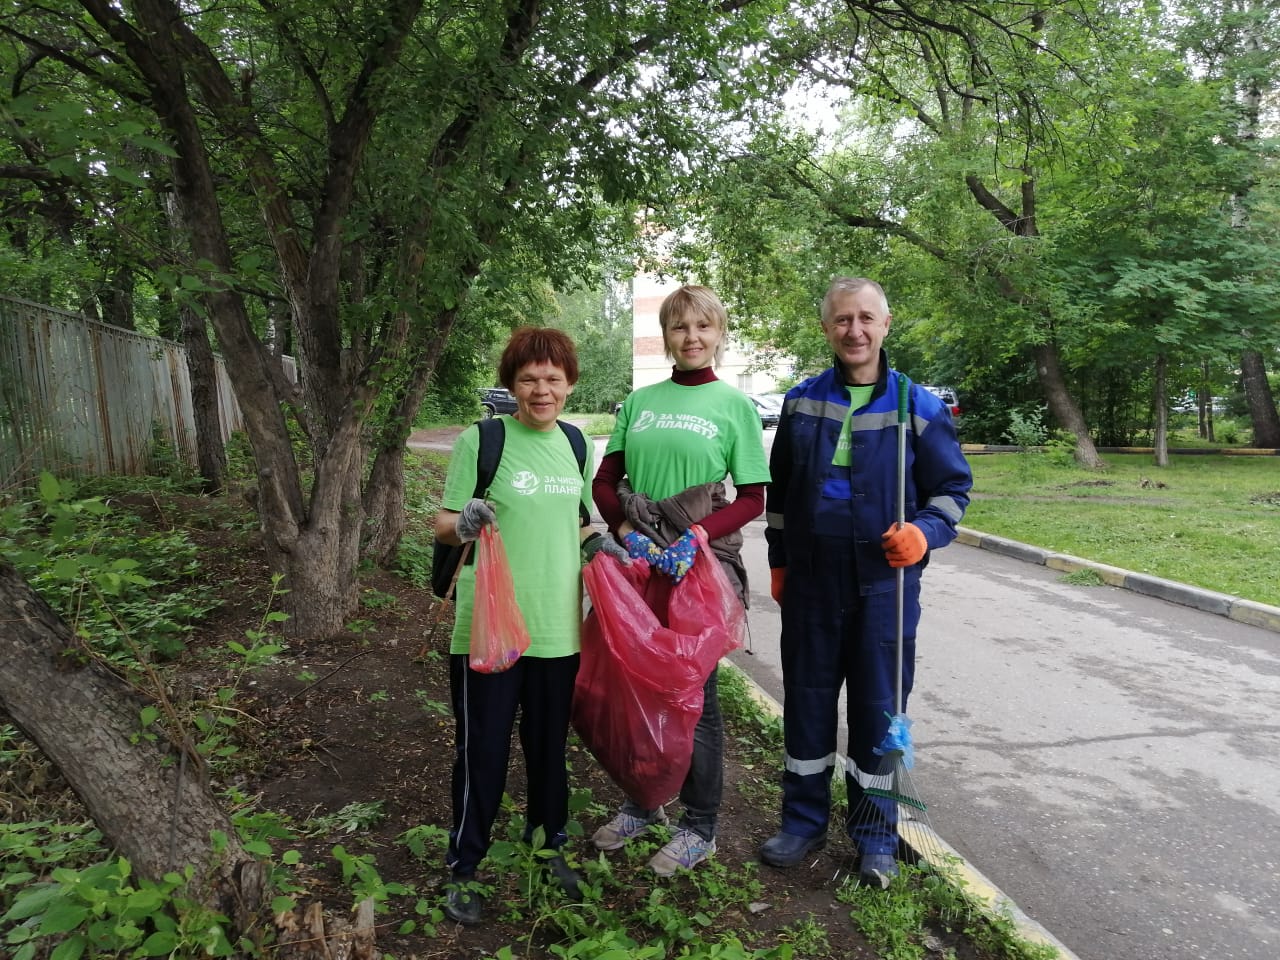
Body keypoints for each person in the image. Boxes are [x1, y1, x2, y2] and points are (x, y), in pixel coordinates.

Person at [758, 277, 972, 886]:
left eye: (866, 319)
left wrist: (926, 532)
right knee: (806, 703)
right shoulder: (801, 404)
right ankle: (802, 824)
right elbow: (780, 499)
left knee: (879, 713)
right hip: (812, 583)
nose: (855, 330)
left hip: (885, 586)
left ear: (885, 324)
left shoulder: (917, 406)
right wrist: (778, 559)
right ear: (826, 328)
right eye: (842, 320)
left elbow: (952, 491)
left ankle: (876, 835)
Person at [434, 327, 628, 925]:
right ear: (512, 385)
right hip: (489, 626)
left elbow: (573, 520)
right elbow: (442, 525)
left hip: (557, 626)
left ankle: (549, 849)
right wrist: (465, 521)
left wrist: (605, 546)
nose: (541, 390)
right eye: (528, 379)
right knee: (483, 752)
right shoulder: (483, 439)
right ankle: (464, 868)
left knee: (549, 751)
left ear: (570, 383)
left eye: (553, 378)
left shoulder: (575, 444)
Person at [591, 284, 770, 876]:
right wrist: (627, 532)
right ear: (665, 335)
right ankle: (643, 804)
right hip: (642, 563)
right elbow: (605, 479)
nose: (691, 337)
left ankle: (701, 824)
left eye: (703, 327)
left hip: (697, 566)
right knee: (635, 683)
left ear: (719, 333)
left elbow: (751, 498)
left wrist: (696, 537)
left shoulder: (734, 406)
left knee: (696, 697)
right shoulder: (639, 401)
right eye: (679, 327)